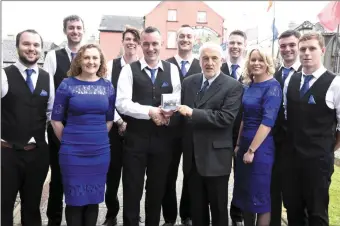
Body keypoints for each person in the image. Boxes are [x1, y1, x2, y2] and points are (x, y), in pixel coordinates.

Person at [115, 26, 181, 226]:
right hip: (136, 138)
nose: (150, 48)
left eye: (154, 43)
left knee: (156, 188)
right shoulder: (129, 70)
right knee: (132, 187)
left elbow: (175, 98)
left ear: (161, 44)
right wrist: (150, 112)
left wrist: (167, 114)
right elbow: (122, 102)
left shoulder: (172, 70)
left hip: (163, 140)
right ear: (140, 45)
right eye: (146, 43)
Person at [177, 42, 243, 226]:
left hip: (216, 158)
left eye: (214, 58)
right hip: (192, 158)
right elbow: (180, 116)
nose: (209, 62)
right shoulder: (189, 82)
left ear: (222, 61)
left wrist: (192, 112)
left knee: (218, 209)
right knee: (197, 210)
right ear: (199, 61)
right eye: (205, 58)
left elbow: (225, 118)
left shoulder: (233, 86)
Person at [51, 44, 115, 226]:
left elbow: (109, 119)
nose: (91, 61)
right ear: (79, 59)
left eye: (95, 58)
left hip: (99, 152)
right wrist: (69, 142)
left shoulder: (107, 86)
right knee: (74, 201)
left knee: (93, 200)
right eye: (87, 57)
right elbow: (56, 119)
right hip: (72, 153)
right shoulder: (67, 84)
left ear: (101, 61)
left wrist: (97, 139)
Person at [282, 32, 340, 226]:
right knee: (293, 209)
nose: (307, 53)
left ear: (322, 50)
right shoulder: (292, 80)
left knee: (317, 213)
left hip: (318, 162)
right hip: (292, 159)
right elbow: (288, 115)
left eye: (312, 48)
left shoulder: (335, 83)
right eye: (303, 49)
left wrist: (326, 149)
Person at [1, 29, 54, 226]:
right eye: (26, 44)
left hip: (37, 154)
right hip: (6, 154)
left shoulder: (47, 77)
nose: (31, 49)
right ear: (17, 47)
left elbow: (51, 113)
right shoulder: (4, 75)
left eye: (36, 45)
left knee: (32, 208)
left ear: (41, 49)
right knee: (3, 207)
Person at [233, 48, 282, 226]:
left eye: (260, 60)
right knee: (246, 194)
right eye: (253, 60)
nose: (256, 63)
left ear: (268, 62)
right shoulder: (250, 85)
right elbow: (245, 118)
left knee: (260, 198)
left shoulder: (273, 87)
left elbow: (267, 122)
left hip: (261, 149)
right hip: (245, 144)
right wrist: (239, 144)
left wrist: (252, 150)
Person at [43, 14, 85, 226]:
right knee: (58, 176)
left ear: (83, 31)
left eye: (78, 27)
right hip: (59, 125)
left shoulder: (90, 55)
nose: (75, 31)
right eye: (71, 28)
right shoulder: (53, 56)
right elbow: (49, 92)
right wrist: (54, 123)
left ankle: (75, 220)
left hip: (83, 128)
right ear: (65, 31)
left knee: (78, 176)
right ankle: (53, 220)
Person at [162, 24, 201, 226]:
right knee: (168, 173)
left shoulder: (201, 66)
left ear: (194, 41)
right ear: (176, 40)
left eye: (189, 36)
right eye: (182, 36)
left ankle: (187, 214)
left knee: (190, 174)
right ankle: (169, 217)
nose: (185, 39)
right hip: (169, 130)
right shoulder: (165, 65)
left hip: (193, 130)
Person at [103, 26, 140, 226]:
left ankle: (133, 213)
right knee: (113, 174)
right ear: (122, 41)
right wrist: (119, 120)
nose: (131, 42)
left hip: (137, 129)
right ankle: (111, 213)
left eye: (135, 39)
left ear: (139, 43)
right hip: (115, 127)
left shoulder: (143, 66)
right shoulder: (111, 66)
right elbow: (109, 98)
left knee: (134, 177)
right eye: (127, 38)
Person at [270, 30, 302, 226]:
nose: (287, 49)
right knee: (273, 192)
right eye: (283, 46)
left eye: (291, 45)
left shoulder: (306, 75)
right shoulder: (275, 75)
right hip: (274, 143)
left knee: (295, 198)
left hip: (298, 147)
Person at [220, 30, 247, 226]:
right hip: (220, 131)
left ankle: (237, 216)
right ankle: (218, 214)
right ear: (227, 45)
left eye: (239, 43)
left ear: (244, 45)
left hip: (242, 132)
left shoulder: (251, 70)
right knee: (220, 175)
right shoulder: (218, 67)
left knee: (241, 176)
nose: (235, 46)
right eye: (232, 43)